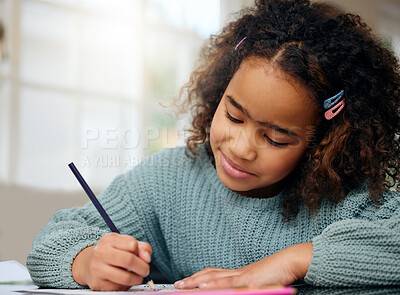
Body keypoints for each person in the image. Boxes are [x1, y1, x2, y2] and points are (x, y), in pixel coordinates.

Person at [27, 0, 400, 291]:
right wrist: (88, 261)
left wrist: (287, 263)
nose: (240, 147)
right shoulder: (169, 179)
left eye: (274, 138)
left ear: (323, 142)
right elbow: (51, 242)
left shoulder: (346, 198)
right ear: (218, 94)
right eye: (234, 116)